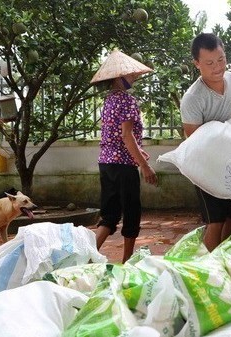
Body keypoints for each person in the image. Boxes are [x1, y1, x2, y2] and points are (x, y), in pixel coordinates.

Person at [180, 33, 231, 252]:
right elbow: (196, 141)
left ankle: (223, 262)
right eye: (209, 63)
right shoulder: (193, 98)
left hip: (229, 161)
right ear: (197, 64)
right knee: (215, 221)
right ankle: (208, 273)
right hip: (203, 165)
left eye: (221, 59)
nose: (217, 67)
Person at [90, 49, 158, 263]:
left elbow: (118, 136)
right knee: (131, 212)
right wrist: (144, 166)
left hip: (106, 163)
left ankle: (85, 257)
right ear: (119, 77)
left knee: (109, 215)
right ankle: (127, 261)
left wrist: (139, 150)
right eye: (131, 75)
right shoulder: (127, 101)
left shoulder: (109, 100)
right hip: (124, 166)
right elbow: (127, 136)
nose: (135, 78)